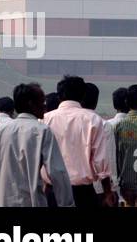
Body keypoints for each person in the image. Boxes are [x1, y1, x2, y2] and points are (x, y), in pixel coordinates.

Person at [0, 83, 74, 207]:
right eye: (42, 102)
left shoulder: (0, 131)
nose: (45, 105)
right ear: (31, 104)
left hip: (0, 200)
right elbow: (57, 172)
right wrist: (67, 204)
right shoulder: (41, 131)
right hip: (29, 200)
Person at [42, 75, 114, 208]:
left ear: (59, 96)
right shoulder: (93, 120)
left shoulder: (45, 120)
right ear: (82, 95)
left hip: (52, 191)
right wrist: (107, 192)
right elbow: (101, 160)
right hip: (83, 193)